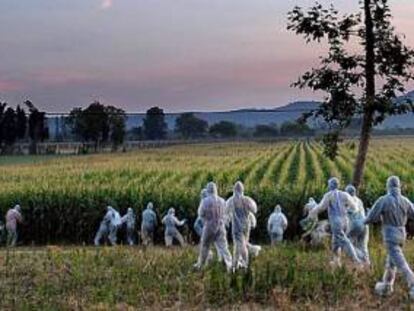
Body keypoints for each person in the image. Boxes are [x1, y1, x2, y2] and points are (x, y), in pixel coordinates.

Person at [364, 176, 414, 298]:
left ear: (388, 186)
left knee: (401, 263)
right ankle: (386, 285)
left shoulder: (384, 200)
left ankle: (412, 281)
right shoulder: (405, 200)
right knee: (391, 263)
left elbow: (371, 217)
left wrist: (364, 220)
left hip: (390, 235)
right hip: (402, 234)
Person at [308, 177, 362, 267]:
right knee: (335, 242)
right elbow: (355, 207)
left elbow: (321, 207)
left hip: (336, 221)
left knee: (344, 241)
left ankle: (356, 260)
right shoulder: (345, 194)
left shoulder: (329, 195)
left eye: (329, 184)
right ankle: (336, 261)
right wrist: (347, 210)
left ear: (330, 185)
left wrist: (312, 212)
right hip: (345, 221)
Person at [194, 182, 232, 271]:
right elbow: (226, 214)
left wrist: (206, 219)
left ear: (208, 190)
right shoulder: (222, 201)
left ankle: (201, 265)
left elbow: (200, 213)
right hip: (220, 226)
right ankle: (228, 264)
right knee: (223, 246)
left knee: (205, 245)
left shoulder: (205, 201)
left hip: (209, 226)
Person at [226, 181, 258, 270]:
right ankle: (235, 265)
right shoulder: (247, 200)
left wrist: (227, 221)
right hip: (246, 227)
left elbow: (226, 212)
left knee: (241, 245)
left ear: (234, 190)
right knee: (239, 245)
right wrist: (252, 221)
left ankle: (244, 264)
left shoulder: (231, 200)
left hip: (237, 228)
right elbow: (254, 210)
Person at [345, 185, 370, 266]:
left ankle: (361, 258)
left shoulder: (347, 200)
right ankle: (366, 264)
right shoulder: (359, 200)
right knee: (363, 245)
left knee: (347, 244)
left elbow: (347, 213)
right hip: (365, 223)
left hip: (356, 225)